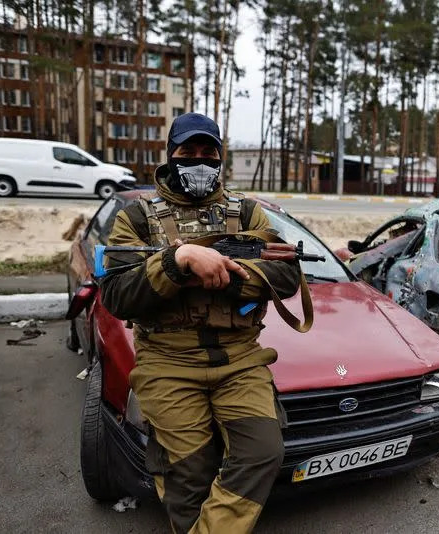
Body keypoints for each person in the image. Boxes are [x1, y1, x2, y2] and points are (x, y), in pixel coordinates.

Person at [100, 112, 301, 533]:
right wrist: (177, 261)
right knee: (187, 479)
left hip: (240, 359)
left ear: (220, 157)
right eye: (187, 151)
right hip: (168, 361)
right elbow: (117, 295)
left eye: (209, 152)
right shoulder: (136, 218)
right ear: (171, 155)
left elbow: (285, 275)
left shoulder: (246, 214)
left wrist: (226, 275)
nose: (199, 160)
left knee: (262, 452)